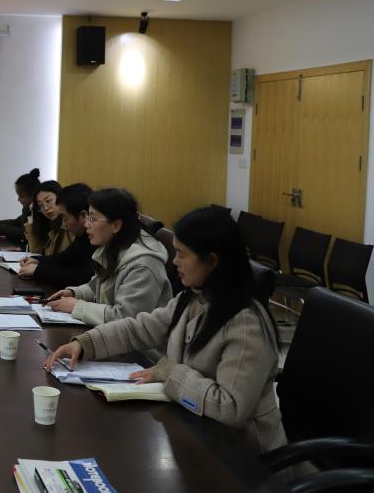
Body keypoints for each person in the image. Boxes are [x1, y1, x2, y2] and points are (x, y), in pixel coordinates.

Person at [44, 207, 286, 454]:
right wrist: (86, 343)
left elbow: (230, 409)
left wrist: (170, 372)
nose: (175, 261)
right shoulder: (192, 298)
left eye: (181, 254)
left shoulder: (245, 325)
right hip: (196, 433)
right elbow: (139, 328)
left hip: (243, 457)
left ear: (212, 261)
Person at [44, 188, 171, 324]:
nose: (86, 224)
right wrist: (75, 293)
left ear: (116, 225)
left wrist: (77, 306)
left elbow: (125, 319)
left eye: (92, 218)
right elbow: (98, 287)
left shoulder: (143, 266)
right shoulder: (113, 247)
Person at [18, 183, 95, 289]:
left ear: (83, 216)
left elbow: (83, 277)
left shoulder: (96, 238)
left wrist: (38, 270)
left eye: (65, 218)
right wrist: (37, 260)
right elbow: (64, 258)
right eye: (40, 205)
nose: (63, 224)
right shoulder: (83, 236)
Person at [0, 168, 40, 248]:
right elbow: (18, 222)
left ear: (33, 196)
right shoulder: (27, 209)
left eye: (22, 196)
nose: (18, 199)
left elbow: (26, 233)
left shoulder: (40, 212)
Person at [25, 180, 65, 256]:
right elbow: (35, 250)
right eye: (40, 205)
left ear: (60, 197)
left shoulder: (68, 226)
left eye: (48, 201)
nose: (45, 208)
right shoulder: (49, 224)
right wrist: (33, 215)